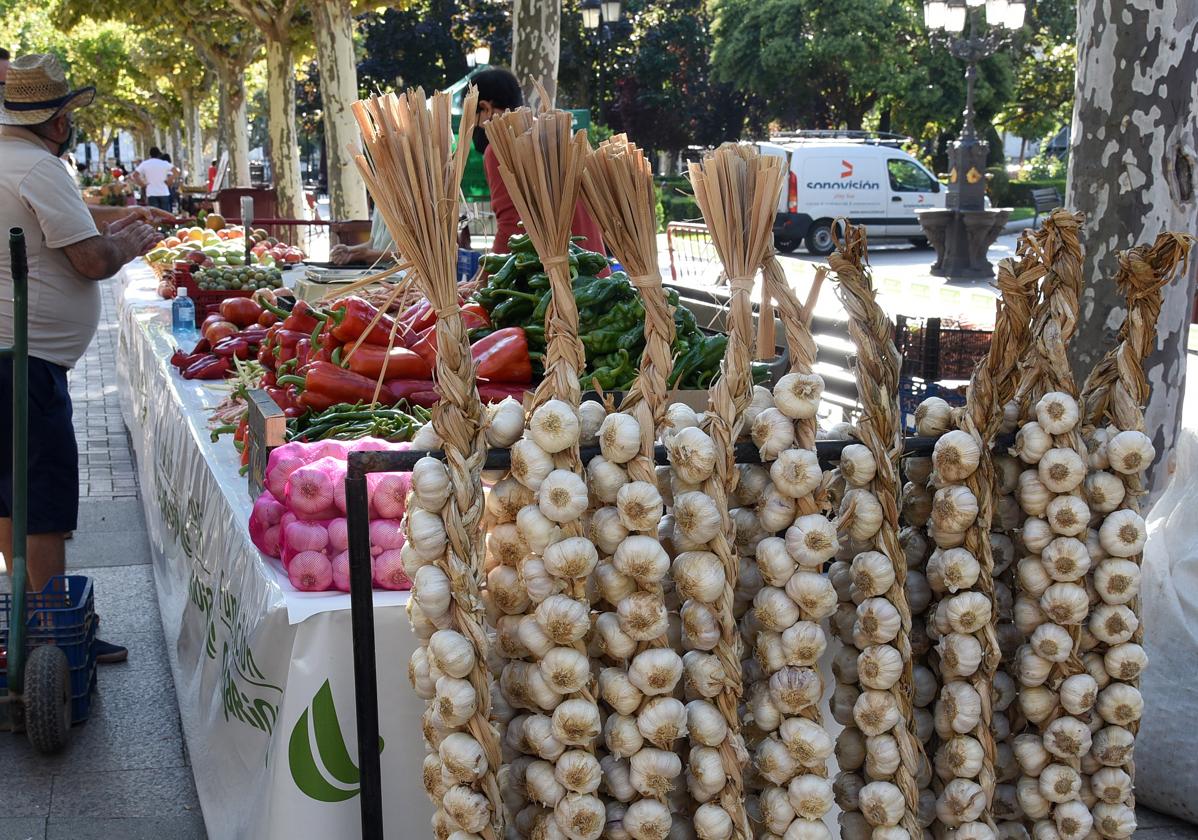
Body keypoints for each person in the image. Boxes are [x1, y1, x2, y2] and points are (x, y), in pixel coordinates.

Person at [0, 54, 165, 664]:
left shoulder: (12, 161)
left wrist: (113, 221)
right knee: (40, 499)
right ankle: (50, 632)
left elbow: (56, 226)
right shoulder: (39, 168)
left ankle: (29, 614)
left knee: (8, 492)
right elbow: (92, 261)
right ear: (59, 120)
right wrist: (130, 240)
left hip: (14, 357)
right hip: (27, 361)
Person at [471, 68, 605, 256]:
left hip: (555, 278)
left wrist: (482, 279)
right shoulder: (561, 135)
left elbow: (512, 226)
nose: (472, 131)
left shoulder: (502, 148)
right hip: (594, 272)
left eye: (472, 120)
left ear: (486, 108)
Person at [329, 205, 395, 265]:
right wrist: (348, 250)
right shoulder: (378, 204)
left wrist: (368, 255)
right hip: (379, 269)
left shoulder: (402, 200)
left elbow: (402, 255)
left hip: (398, 272)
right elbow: (373, 243)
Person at [132, 146, 175, 212]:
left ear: (150, 155)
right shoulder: (164, 163)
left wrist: (142, 184)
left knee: (154, 214)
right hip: (164, 191)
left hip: (151, 192)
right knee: (166, 215)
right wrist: (169, 181)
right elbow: (177, 172)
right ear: (158, 154)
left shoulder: (145, 164)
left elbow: (135, 175)